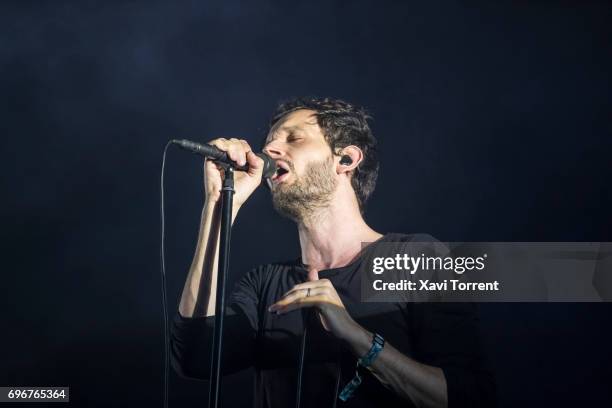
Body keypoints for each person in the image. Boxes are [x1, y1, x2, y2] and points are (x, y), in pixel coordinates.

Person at [170, 97, 495, 407]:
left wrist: (356, 337)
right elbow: (195, 357)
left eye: (294, 138)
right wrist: (218, 204)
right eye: (270, 141)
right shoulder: (263, 285)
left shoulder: (417, 258)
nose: (268, 149)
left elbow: (469, 399)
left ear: (346, 159)